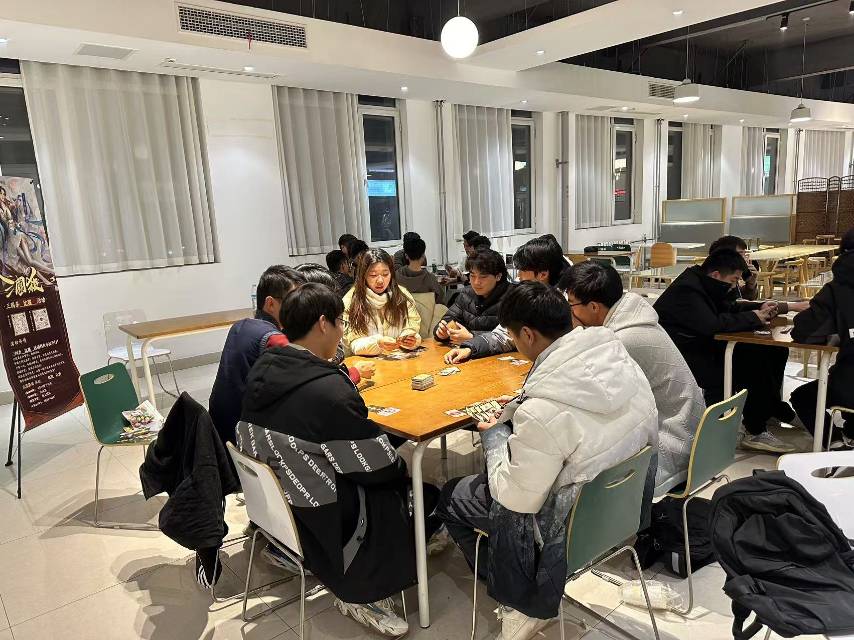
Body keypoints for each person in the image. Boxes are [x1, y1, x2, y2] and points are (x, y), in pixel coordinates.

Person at [436, 282, 658, 640]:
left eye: (512, 336)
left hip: (569, 527)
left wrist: (494, 436)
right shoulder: (618, 358)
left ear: (527, 334)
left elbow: (514, 497)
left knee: (451, 495)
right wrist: (520, 407)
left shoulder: (543, 409)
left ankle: (519, 603)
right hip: (620, 512)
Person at [237, 283, 443, 637]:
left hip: (276, 501)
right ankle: (361, 594)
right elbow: (376, 467)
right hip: (318, 509)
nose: (342, 331)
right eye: (340, 322)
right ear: (323, 324)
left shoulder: (265, 367)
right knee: (405, 488)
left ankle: (295, 553)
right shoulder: (328, 391)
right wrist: (400, 467)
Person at [559, 261, 706, 497]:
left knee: (573, 461)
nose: (570, 311)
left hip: (673, 442)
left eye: (571, 304)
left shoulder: (622, 339)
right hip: (690, 431)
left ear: (594, 307)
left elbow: (591, 394)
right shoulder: (634, 317)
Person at [653, 249, 796, 453]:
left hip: (699, 344)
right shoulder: (688, 289)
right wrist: (754, 317)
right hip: (679, 354)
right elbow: (711, 324)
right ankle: (754, 429)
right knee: (752, 361)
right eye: (734, 280)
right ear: (716, 274)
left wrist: (758, 308)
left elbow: (728, 308)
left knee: (774, 351)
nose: (735, 285)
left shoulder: (704, 283)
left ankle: (768, 411)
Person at [208, 266, 304, 447]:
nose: (301, 308)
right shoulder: (274, 338)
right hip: (248, 438)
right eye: (294, 302)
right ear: (270, 304)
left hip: (220, 432)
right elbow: (308, 380)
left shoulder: (240, 326)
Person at [444, 236, 569, 364]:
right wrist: (470, 348)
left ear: (543, 274)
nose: (518, 276)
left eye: (522, 270)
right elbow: (504, 334)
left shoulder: (569, 301)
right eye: (472, 276)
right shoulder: (528, 295)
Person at [790, 229, 854, 447]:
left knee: (804, 397)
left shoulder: (838, 288)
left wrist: (837, 332)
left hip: (850, 384)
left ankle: (835, 442)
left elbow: (804, 331)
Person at [343, 249, 422, 356]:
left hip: (399, 359)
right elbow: (352, 343)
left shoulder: (402, 295)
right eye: (373, 275)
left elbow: (412, 326)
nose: (380, 281)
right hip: (366, 363)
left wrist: (410, 338)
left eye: (385, 274)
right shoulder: (352, 300)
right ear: (363, 275)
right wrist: (377, 343)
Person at [434, 248, 511, 345]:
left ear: (498, 276)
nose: (476, 282)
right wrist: (442, 332)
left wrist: (473, 337)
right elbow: (449, 318)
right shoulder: (466, 294)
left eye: (483, 277)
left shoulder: (513, 297)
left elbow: (512, 336)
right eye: (472, 275)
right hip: (467, 350)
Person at [395, 236, 444, 302]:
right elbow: (440, 298)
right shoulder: (430, 279)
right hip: (427, 308)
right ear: (423, 256)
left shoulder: (396, 276)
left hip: (403, 308)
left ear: (406, 256)